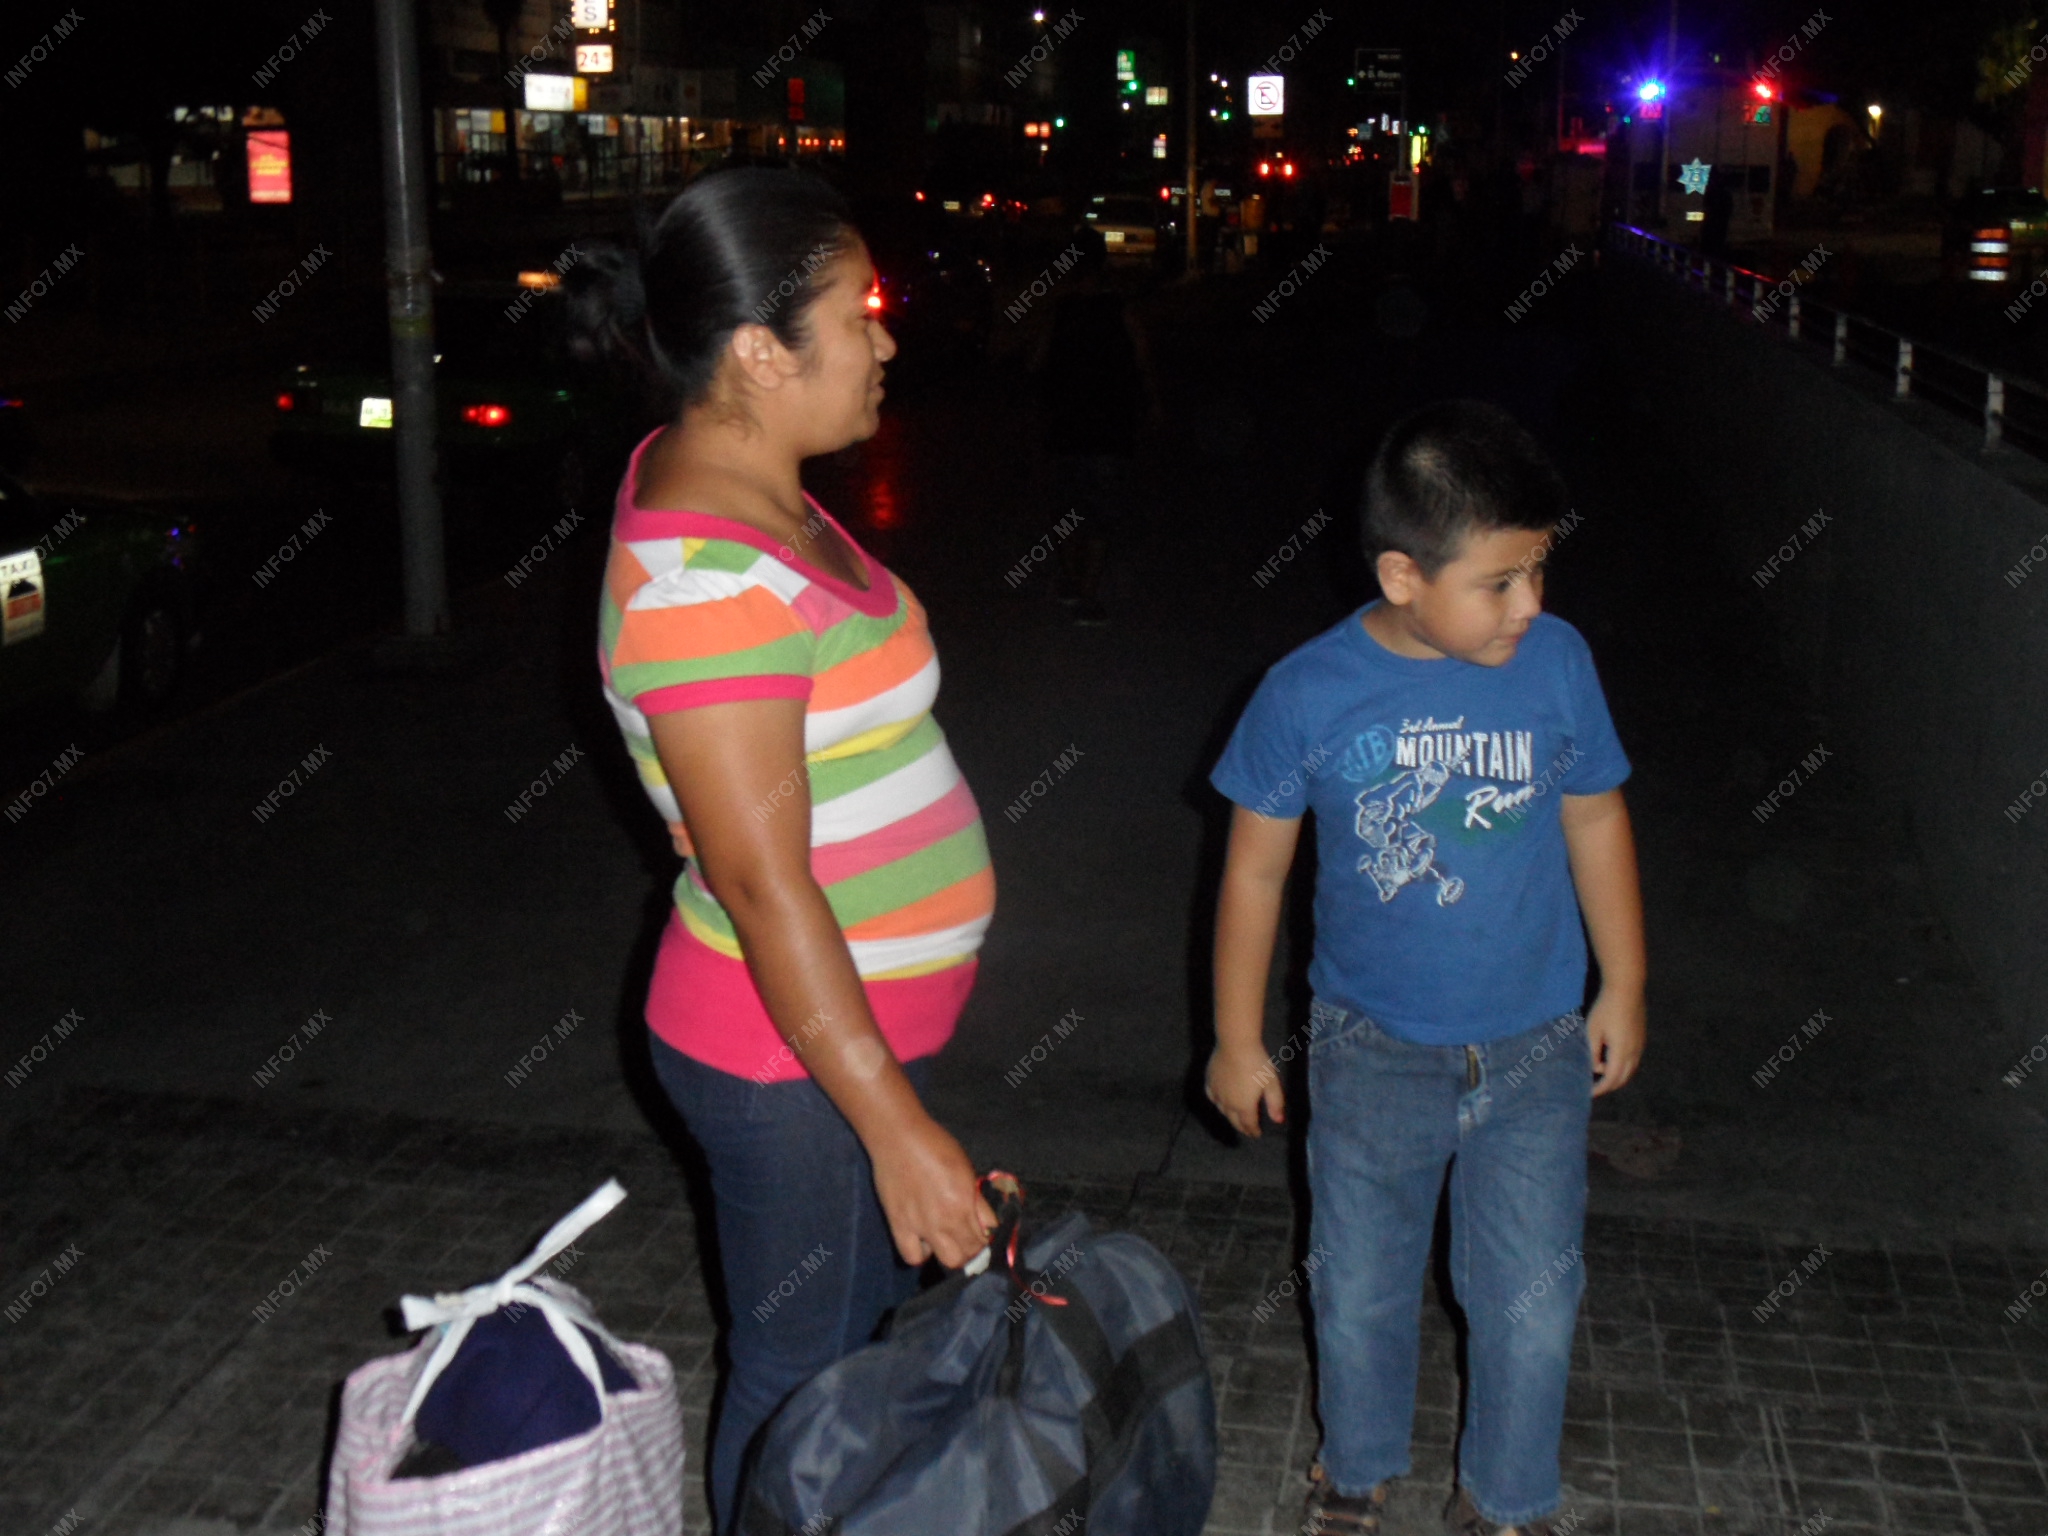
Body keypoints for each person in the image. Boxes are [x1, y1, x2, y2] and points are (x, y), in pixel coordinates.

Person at [572, 167, 1000, 1534]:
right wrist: (900, 1132)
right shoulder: (709, 584)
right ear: (759, 354)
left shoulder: (745, 482)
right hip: (786, 1056)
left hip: (837, 1040)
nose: (885, 339)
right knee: (798, 1374)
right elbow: (761, 883)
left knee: (851, 1350)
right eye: (858, 313)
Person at [1204, 400, 1646, 1536]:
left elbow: (1595, 819)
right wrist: (1238, 1037)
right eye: (1497, 582)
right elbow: (1251, 875)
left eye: (1536, 571)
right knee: (1356, 1290)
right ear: (1402, 575)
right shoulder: (1305, 691)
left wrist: (1624, 983)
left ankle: (1504, 1499)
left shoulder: (1554, 663)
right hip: (1367, 1048)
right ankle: (1352, 1471)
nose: (1529, 605)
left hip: (1536, 1044)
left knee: (1530, 1306)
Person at [1030, 222, 1157, 624]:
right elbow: (1142, 360)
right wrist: (1153, 403)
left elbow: (1035, 362)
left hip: (1067, 423)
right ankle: (1086, 594)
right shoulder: (1120, 308)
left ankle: (1071, 581)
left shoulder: (1060, 310)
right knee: (1101, 508)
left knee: (1068, 506)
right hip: (1108, 423)